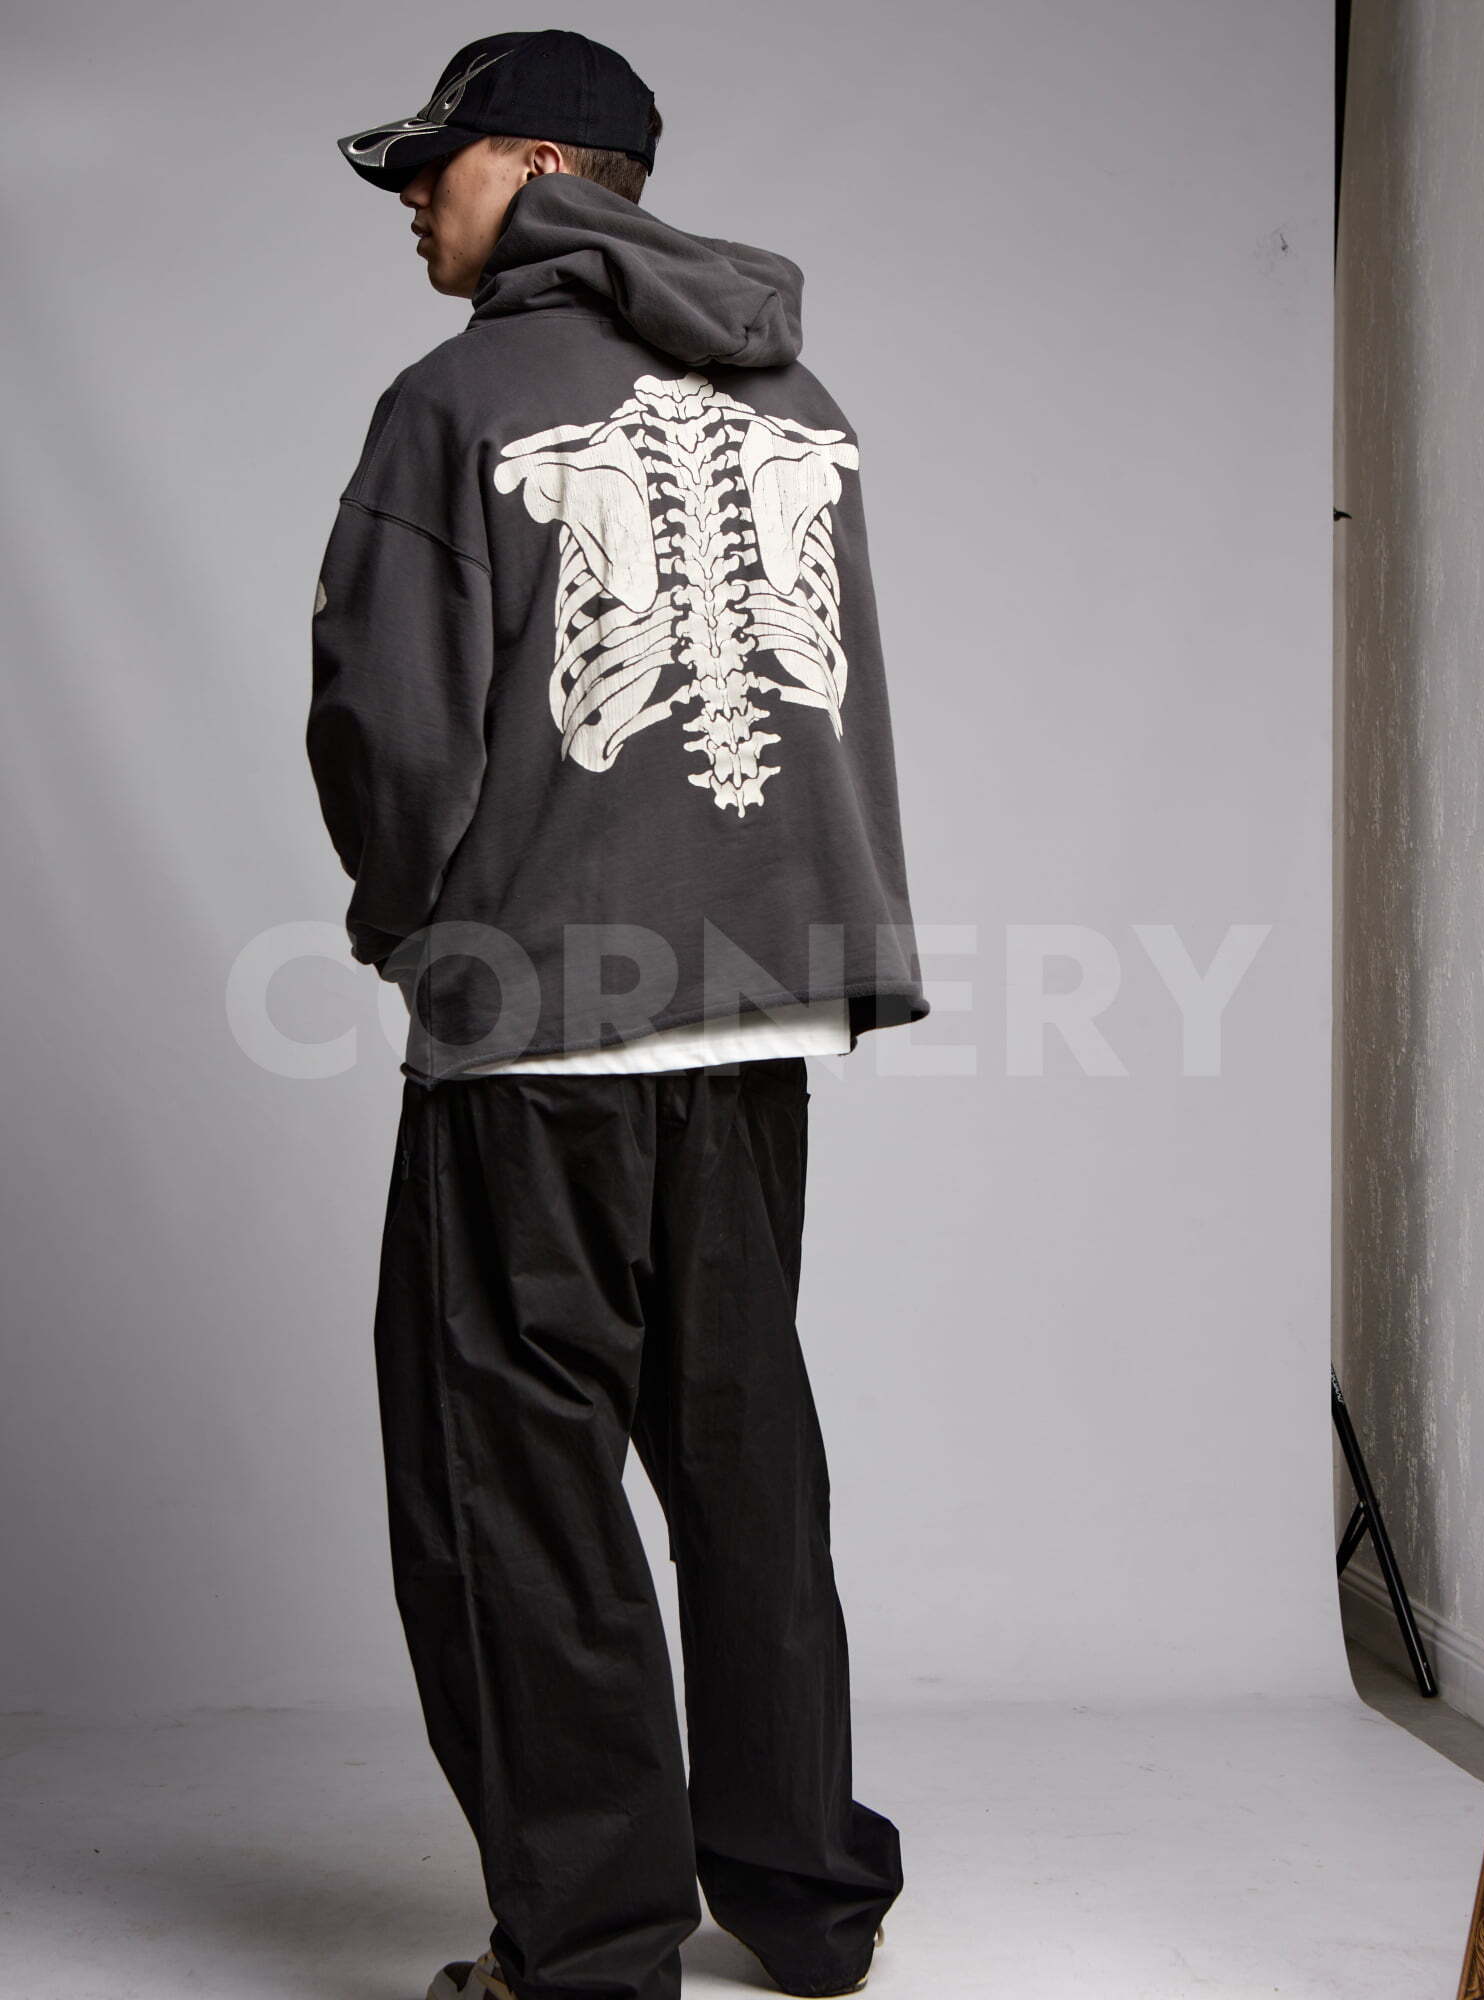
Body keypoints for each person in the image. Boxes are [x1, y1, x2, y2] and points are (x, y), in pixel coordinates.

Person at [306, 30, 927, 2000]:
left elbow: (389, 722)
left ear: (541, 165)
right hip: (756, 1012)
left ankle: (586, 1954)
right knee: (746, 1462)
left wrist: (407, 927)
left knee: (514, 1486)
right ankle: (806, 1902)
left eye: (437, 164)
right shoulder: (799, 393)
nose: (416, 200)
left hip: (544, 1016)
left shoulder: (459, 399)